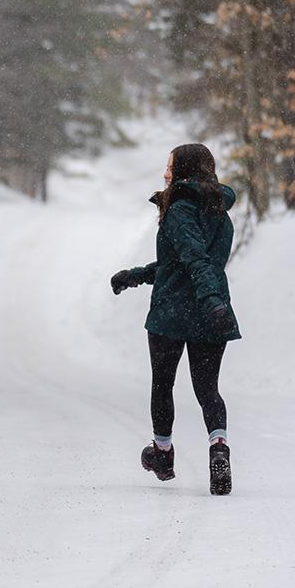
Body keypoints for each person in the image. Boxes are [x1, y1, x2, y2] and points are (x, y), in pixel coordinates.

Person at [110, 143, 241, 496]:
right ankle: (219, 448)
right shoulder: (219, 213)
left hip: (175, 311)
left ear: (183, 170)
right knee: (207, 389)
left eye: (170, 166)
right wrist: (135, 275)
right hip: (210, 311)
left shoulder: (180, 209)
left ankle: (163, 454)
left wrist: (210, 300)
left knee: (162, 383)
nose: (165, 172)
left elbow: (194, 259)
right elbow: (183, 263)